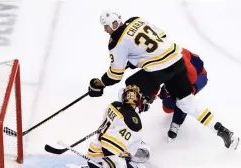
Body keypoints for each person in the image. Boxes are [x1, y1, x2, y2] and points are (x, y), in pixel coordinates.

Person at [87, 11, 239, 150]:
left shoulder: (116, 42)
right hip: (177, 60)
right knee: (187, 103)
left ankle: (131, 142)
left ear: (113, 24)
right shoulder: (136, 20)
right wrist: (136, 59)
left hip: (159, 69)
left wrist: (100, 84)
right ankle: (222, 131)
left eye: (106, 26)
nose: (105, 30)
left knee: (130, 89)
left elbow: (115, 75)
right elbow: (162, 37)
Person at [159, 48, 208, 139]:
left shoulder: (180, 55)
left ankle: (176, 124)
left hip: (198, 76)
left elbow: (193, 75)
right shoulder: (160, 58)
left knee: (183, 97)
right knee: (167, 108)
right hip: (179, 75)